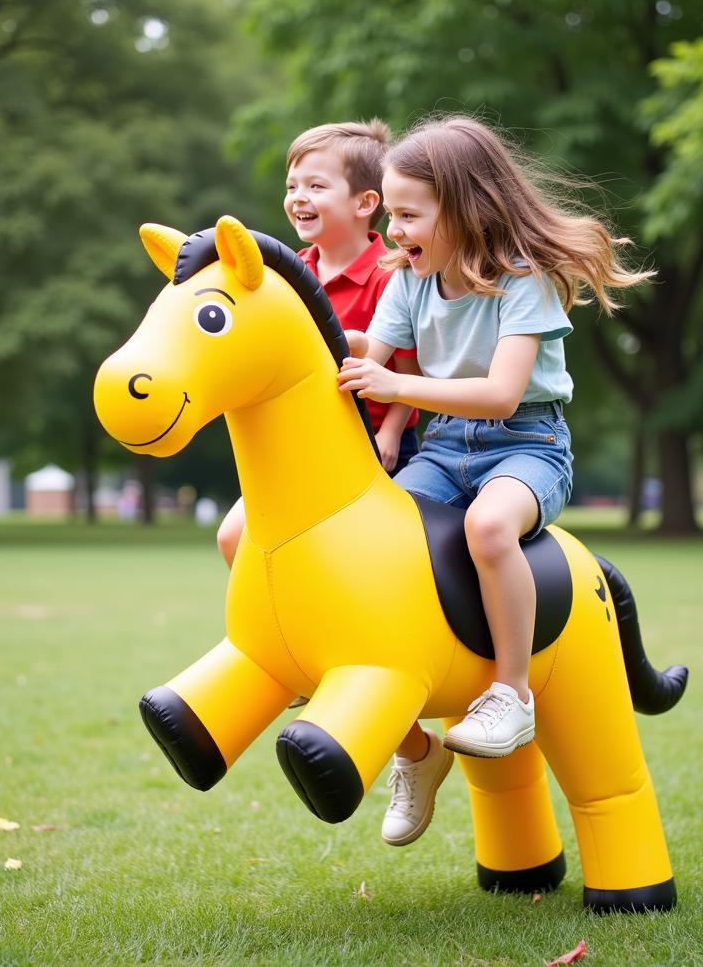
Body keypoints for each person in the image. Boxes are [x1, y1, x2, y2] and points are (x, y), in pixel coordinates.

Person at [337, 115, 651, 846]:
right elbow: (368, 350)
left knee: (486, 527)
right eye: (388, 213)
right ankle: (409, 743)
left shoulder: (523, 279)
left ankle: (511, 692)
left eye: (409, 214)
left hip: (528, 446)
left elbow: (504, 395)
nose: (394, 231)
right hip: (444, 449)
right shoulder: (408, 279)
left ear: (464, 206)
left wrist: (396, 386)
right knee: (379, 545)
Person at [216, 120, 420, 569]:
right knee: (234, 537)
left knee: (372, 559)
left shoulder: (391, 277)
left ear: (366, 202)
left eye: (316, 185)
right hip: (300, 443)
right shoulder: (286, 277)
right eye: (292, 185)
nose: (298, 197)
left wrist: (389, 433)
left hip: (373, 447)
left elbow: (411, 370)